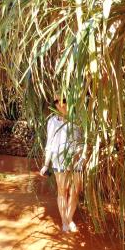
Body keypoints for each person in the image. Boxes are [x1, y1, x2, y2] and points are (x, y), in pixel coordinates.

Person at [39, 96, 83, 233]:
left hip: (76, 160)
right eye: (57, 101)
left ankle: (69, 219)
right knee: (62, 191)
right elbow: (50, 144)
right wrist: (46, 164)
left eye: (64, 100)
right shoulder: (52, 121)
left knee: (75, 191)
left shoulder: (79, 119)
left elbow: (83, 140)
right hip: (59, 160)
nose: (60, 104)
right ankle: (65, 222)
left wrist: (83, 156)